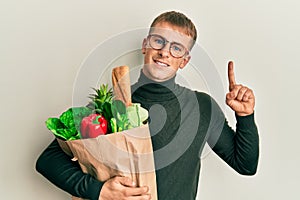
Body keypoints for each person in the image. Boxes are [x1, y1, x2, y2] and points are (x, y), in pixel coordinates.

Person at [36, 11, 259, 200]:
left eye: (176, 48)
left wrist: (245, 116)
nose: (164, 52)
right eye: (158, 41)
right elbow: (47, 160)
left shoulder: (202, 107)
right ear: (146, 45)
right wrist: (100, 191)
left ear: (184, 60)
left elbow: (246, 165)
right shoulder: (110, 105)